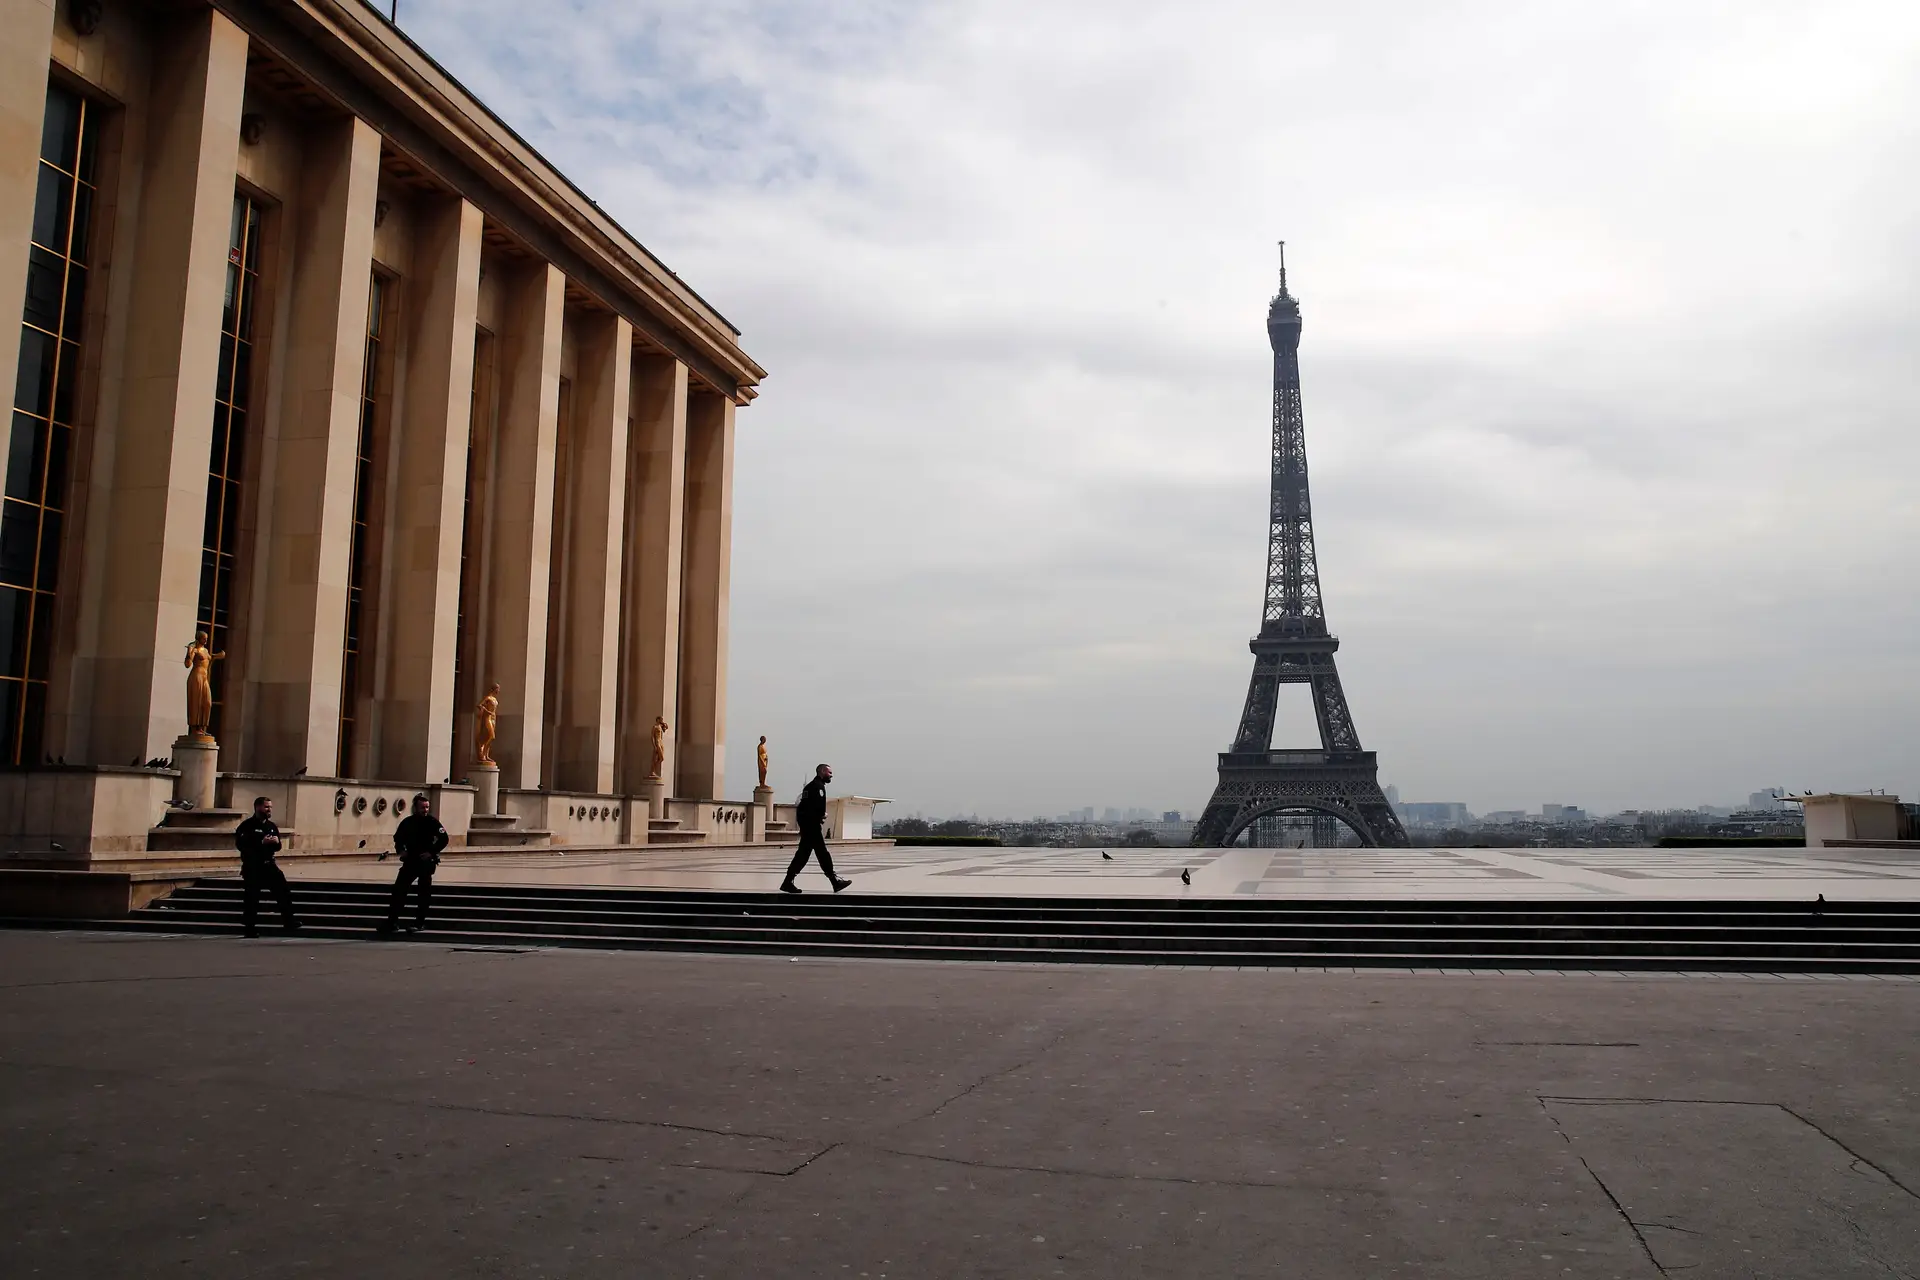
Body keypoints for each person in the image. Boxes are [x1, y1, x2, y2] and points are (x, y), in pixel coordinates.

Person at [379, 794, 448, 934]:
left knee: (423, 894)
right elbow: (398, 838)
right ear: (415, 808)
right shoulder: (407, 822)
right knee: (399, 890)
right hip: (411, 861)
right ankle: (392, 922)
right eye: (422, 807)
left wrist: (431, 852)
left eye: (427, 807)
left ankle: (419, 922)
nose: (425, 810)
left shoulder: (432, 822)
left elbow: (444, 839)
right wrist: (401, 850)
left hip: (425, 862)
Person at [233, 796, 300, 937]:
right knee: (252, 898)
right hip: (253, 867)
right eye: (266, 807)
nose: (269, 810)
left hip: (269, 866)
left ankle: (289, 921)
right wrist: (261, 842)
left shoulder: (271, 826)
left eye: (270, 807)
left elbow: (278, 846)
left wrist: (275, 842)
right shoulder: (247, 826)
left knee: (283, 892)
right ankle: (249, 928)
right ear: (257, 808)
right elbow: (241, 845)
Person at [780, 763, 851, 894]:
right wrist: (820, 816)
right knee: (822, 853)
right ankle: (834, 881)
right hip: (812, 827)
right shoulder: (817, 787)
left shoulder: (813, 787)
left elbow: (804, 809)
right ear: (822, 772)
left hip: (809, 827)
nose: (831, 775)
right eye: (829, 773)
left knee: (803, 855)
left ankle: (788, 881)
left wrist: (808, 823)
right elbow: (809, 809)